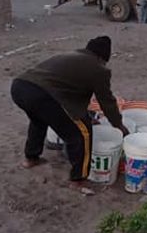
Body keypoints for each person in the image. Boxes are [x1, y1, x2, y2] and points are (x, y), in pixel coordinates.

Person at [10, 36, 129, 191]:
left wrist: (84, 114)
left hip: (20, 88)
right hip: (44, 95)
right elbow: (106, 101)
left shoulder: (72, 56)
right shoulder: (99, 69)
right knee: (81, 134)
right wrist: (118, 125)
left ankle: (30, 158)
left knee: (39, 119)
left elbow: (71, 94)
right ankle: (78, 179)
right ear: (102, 57)